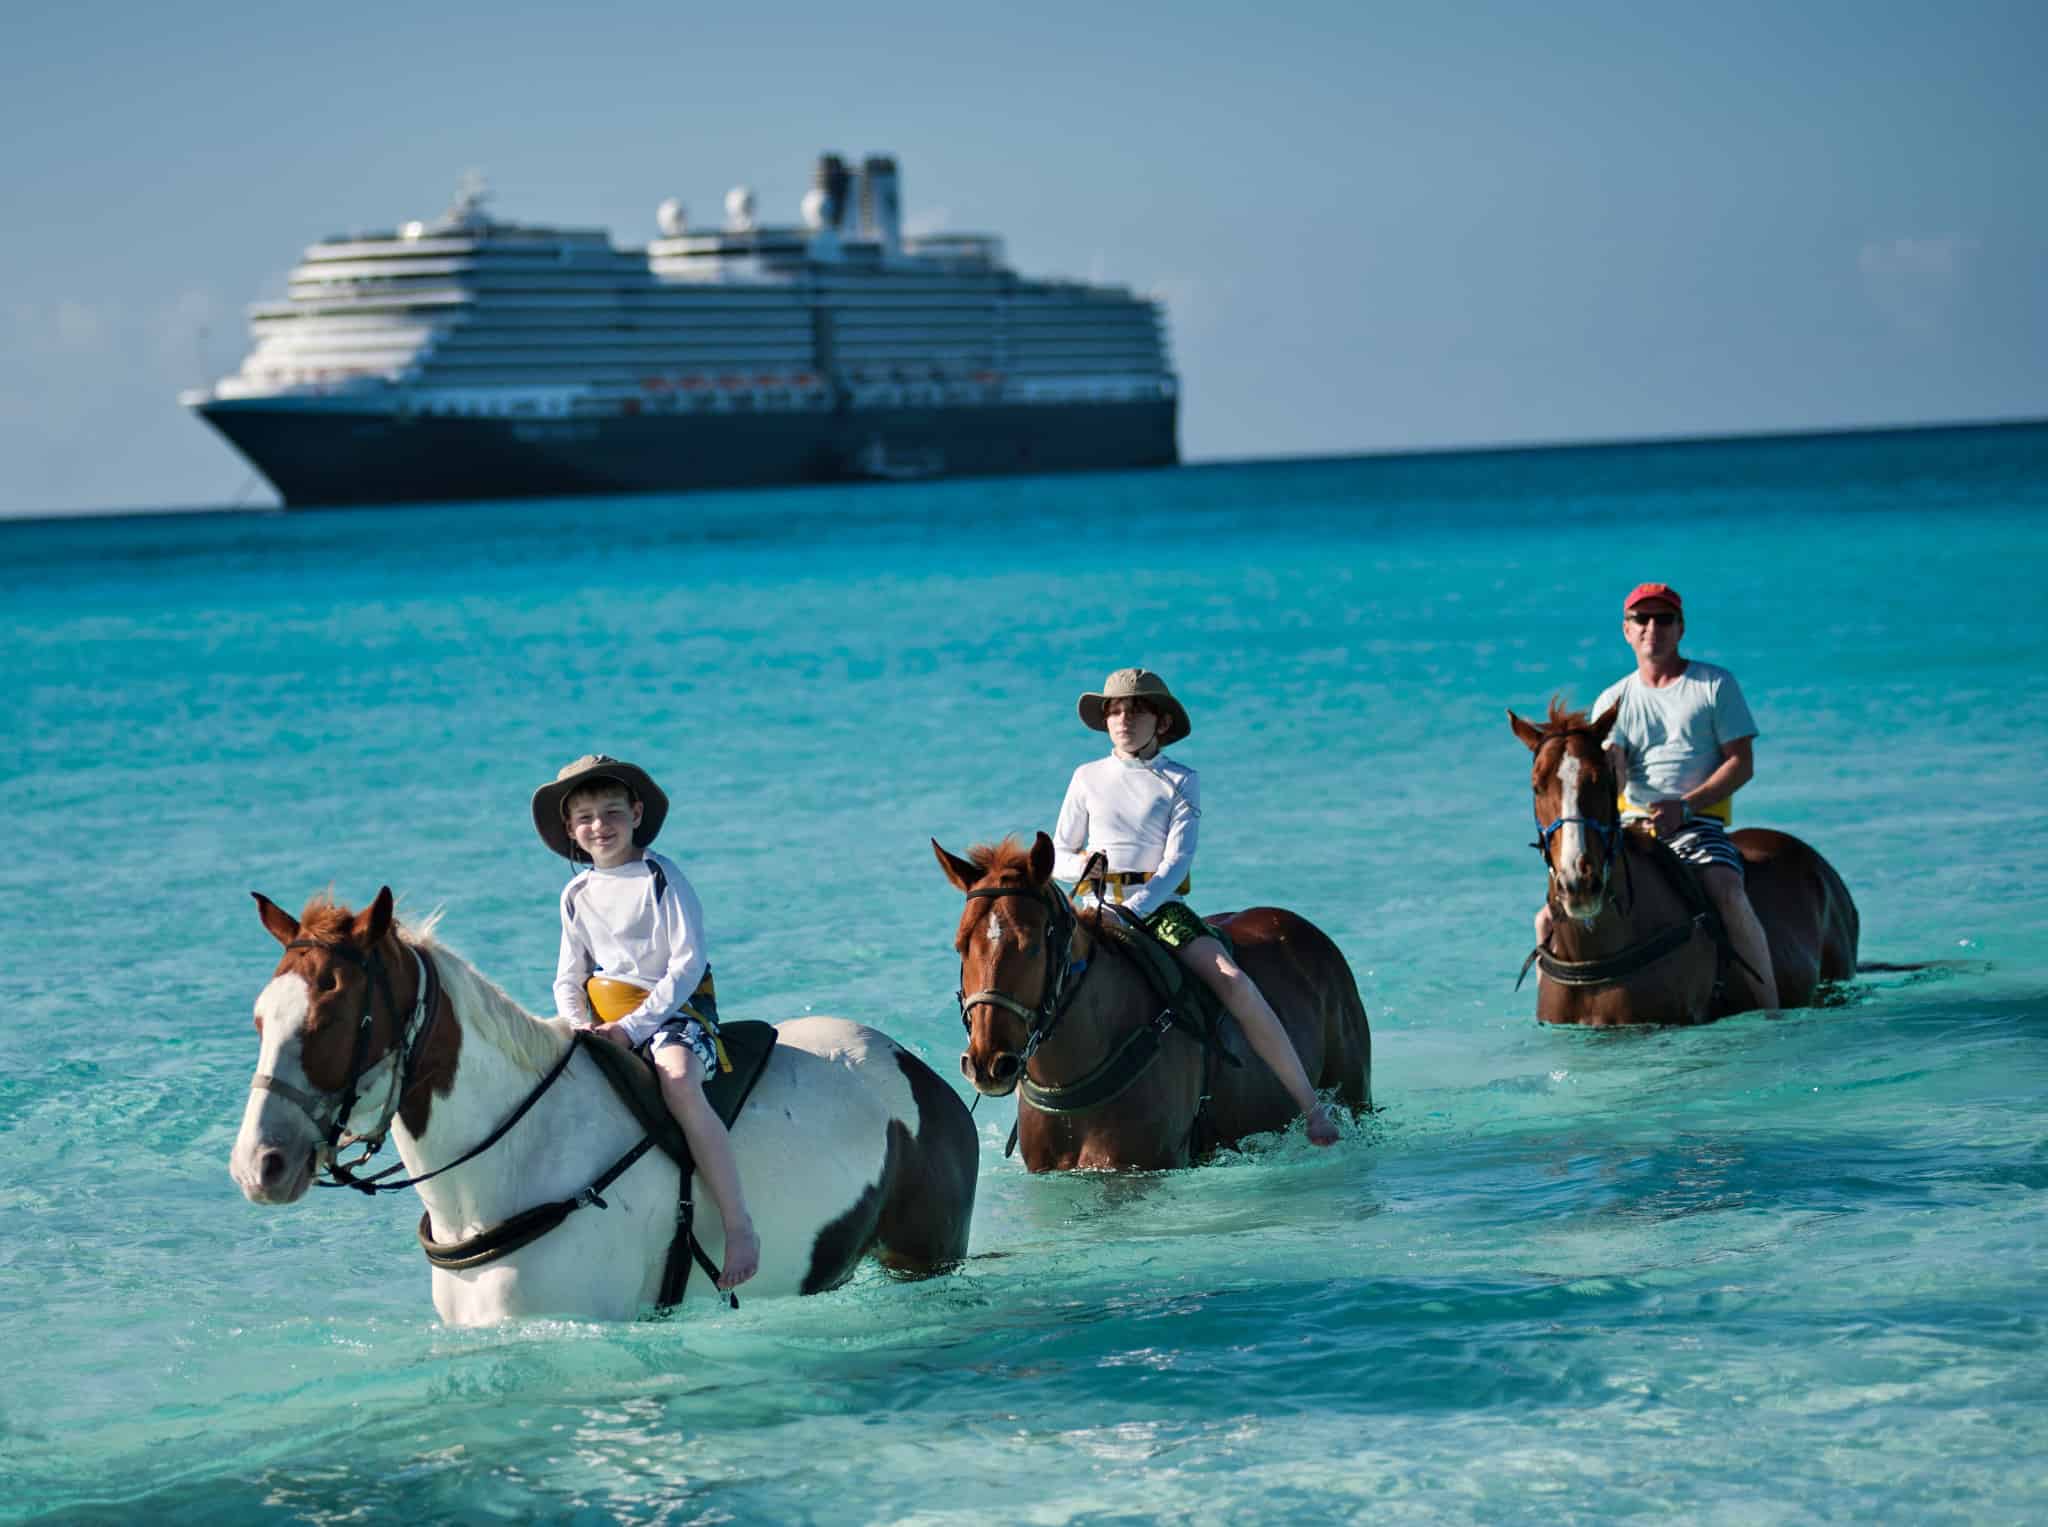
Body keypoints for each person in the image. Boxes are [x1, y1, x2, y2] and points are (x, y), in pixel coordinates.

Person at [1052, 668, 1340, 1145]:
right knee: (1032, 981)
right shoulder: (1086, 778)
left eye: (1136, 709)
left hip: (1160, 908)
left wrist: (1139, 905)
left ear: (1161, 722)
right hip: (1093, 907)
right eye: (1115, 709)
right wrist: (1082, 866)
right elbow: (1060, 852)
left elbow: (1177, 860)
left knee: (1233, 981)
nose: (1123, 718)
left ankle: (1310, 1107)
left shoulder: (1181, 780)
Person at [532, 753, 759, 1290]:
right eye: (585, 818)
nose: (599, 826)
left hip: (675, 1013)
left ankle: (738, 1224)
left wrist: (633, 1029)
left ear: (636, 813)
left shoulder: (662, 876)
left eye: (612, 812)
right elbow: (568, 977)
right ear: (571, 829)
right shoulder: (575, 894)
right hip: (603, 1019)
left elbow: (688, 963)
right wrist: (577, 1025)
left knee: (678, 1081)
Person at [1533, 583, 1779, 1011]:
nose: (1652, 628)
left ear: (1680, 628)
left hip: (1698, 823)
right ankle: (1554, 1007)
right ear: (1626, 631)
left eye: (1663, 619)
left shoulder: (1714, 685)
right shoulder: (1612, 699)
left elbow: (1742, 764)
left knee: (1725, 887)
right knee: (1547, 915)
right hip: (1631, 827)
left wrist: (1686, 806)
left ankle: (1767, 1000)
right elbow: (1615, 766)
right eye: (1640, 620)